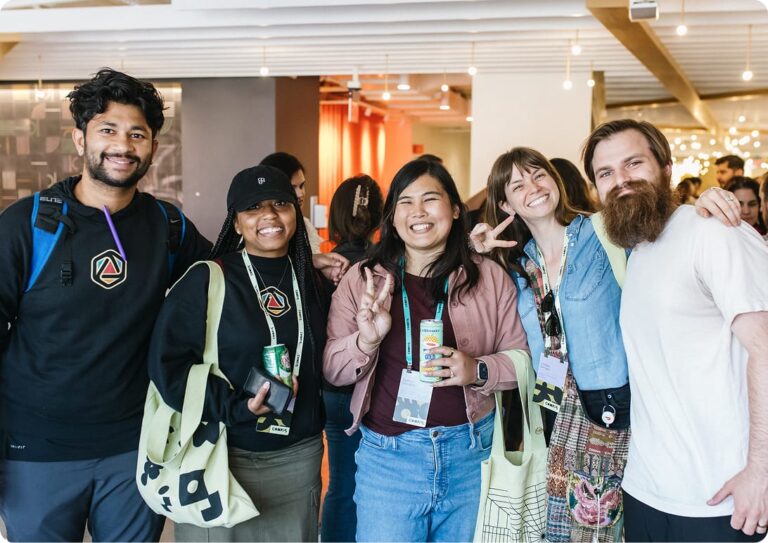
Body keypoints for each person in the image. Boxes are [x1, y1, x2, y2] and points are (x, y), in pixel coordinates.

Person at [0, 68, 212, 541]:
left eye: (137, 134)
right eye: (108, 130)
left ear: (152, 145)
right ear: (80, 139)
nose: (123, 145)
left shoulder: (167, 226)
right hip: (36, 450)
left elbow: (225, 277)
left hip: (134, 447)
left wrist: (303, 258)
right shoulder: (27, 225)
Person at [324, 158, 530, 542]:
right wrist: (366, 341)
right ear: (392, 216)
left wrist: (478, 370)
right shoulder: (363, 279)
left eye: (430, 199)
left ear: (455, 209)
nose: (417, 211)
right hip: (388, 462)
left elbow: (521, 361)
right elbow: (334, 370)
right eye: (405, 201)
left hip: (471, 456)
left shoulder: (489, 278)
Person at [583, 118, 768, 542]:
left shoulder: (714, 232)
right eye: (605, 173)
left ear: (666, 167)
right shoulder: (638, 248)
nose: (621, 180)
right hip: (646, 491)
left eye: (634, 163)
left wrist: (761, 471)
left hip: (720, 497)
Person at [148, 164, 328, 542]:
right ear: (236, 222)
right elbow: (169, 368)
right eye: (253, 207)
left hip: (296, 460)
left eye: (280, 203)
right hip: (219, 457)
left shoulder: (314, 282)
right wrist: (236, 407)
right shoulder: (206, 278)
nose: (269, 215)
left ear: (295, 212)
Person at [471, 148, 631, 542]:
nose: (534, 187)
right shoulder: (517, 265)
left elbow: (663, 240)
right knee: (558, 526)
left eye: (538, 174)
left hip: (610, 405)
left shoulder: (602, 232)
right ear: (505, 204)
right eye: (518, 185)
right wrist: (476, 253)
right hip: (550, 405)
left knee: (602, 525)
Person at [321, 173, 383, 543]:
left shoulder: (319, 266)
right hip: (370, 388)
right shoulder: (384, 266)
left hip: (331, 390)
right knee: (373, 485)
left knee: (342, 485)